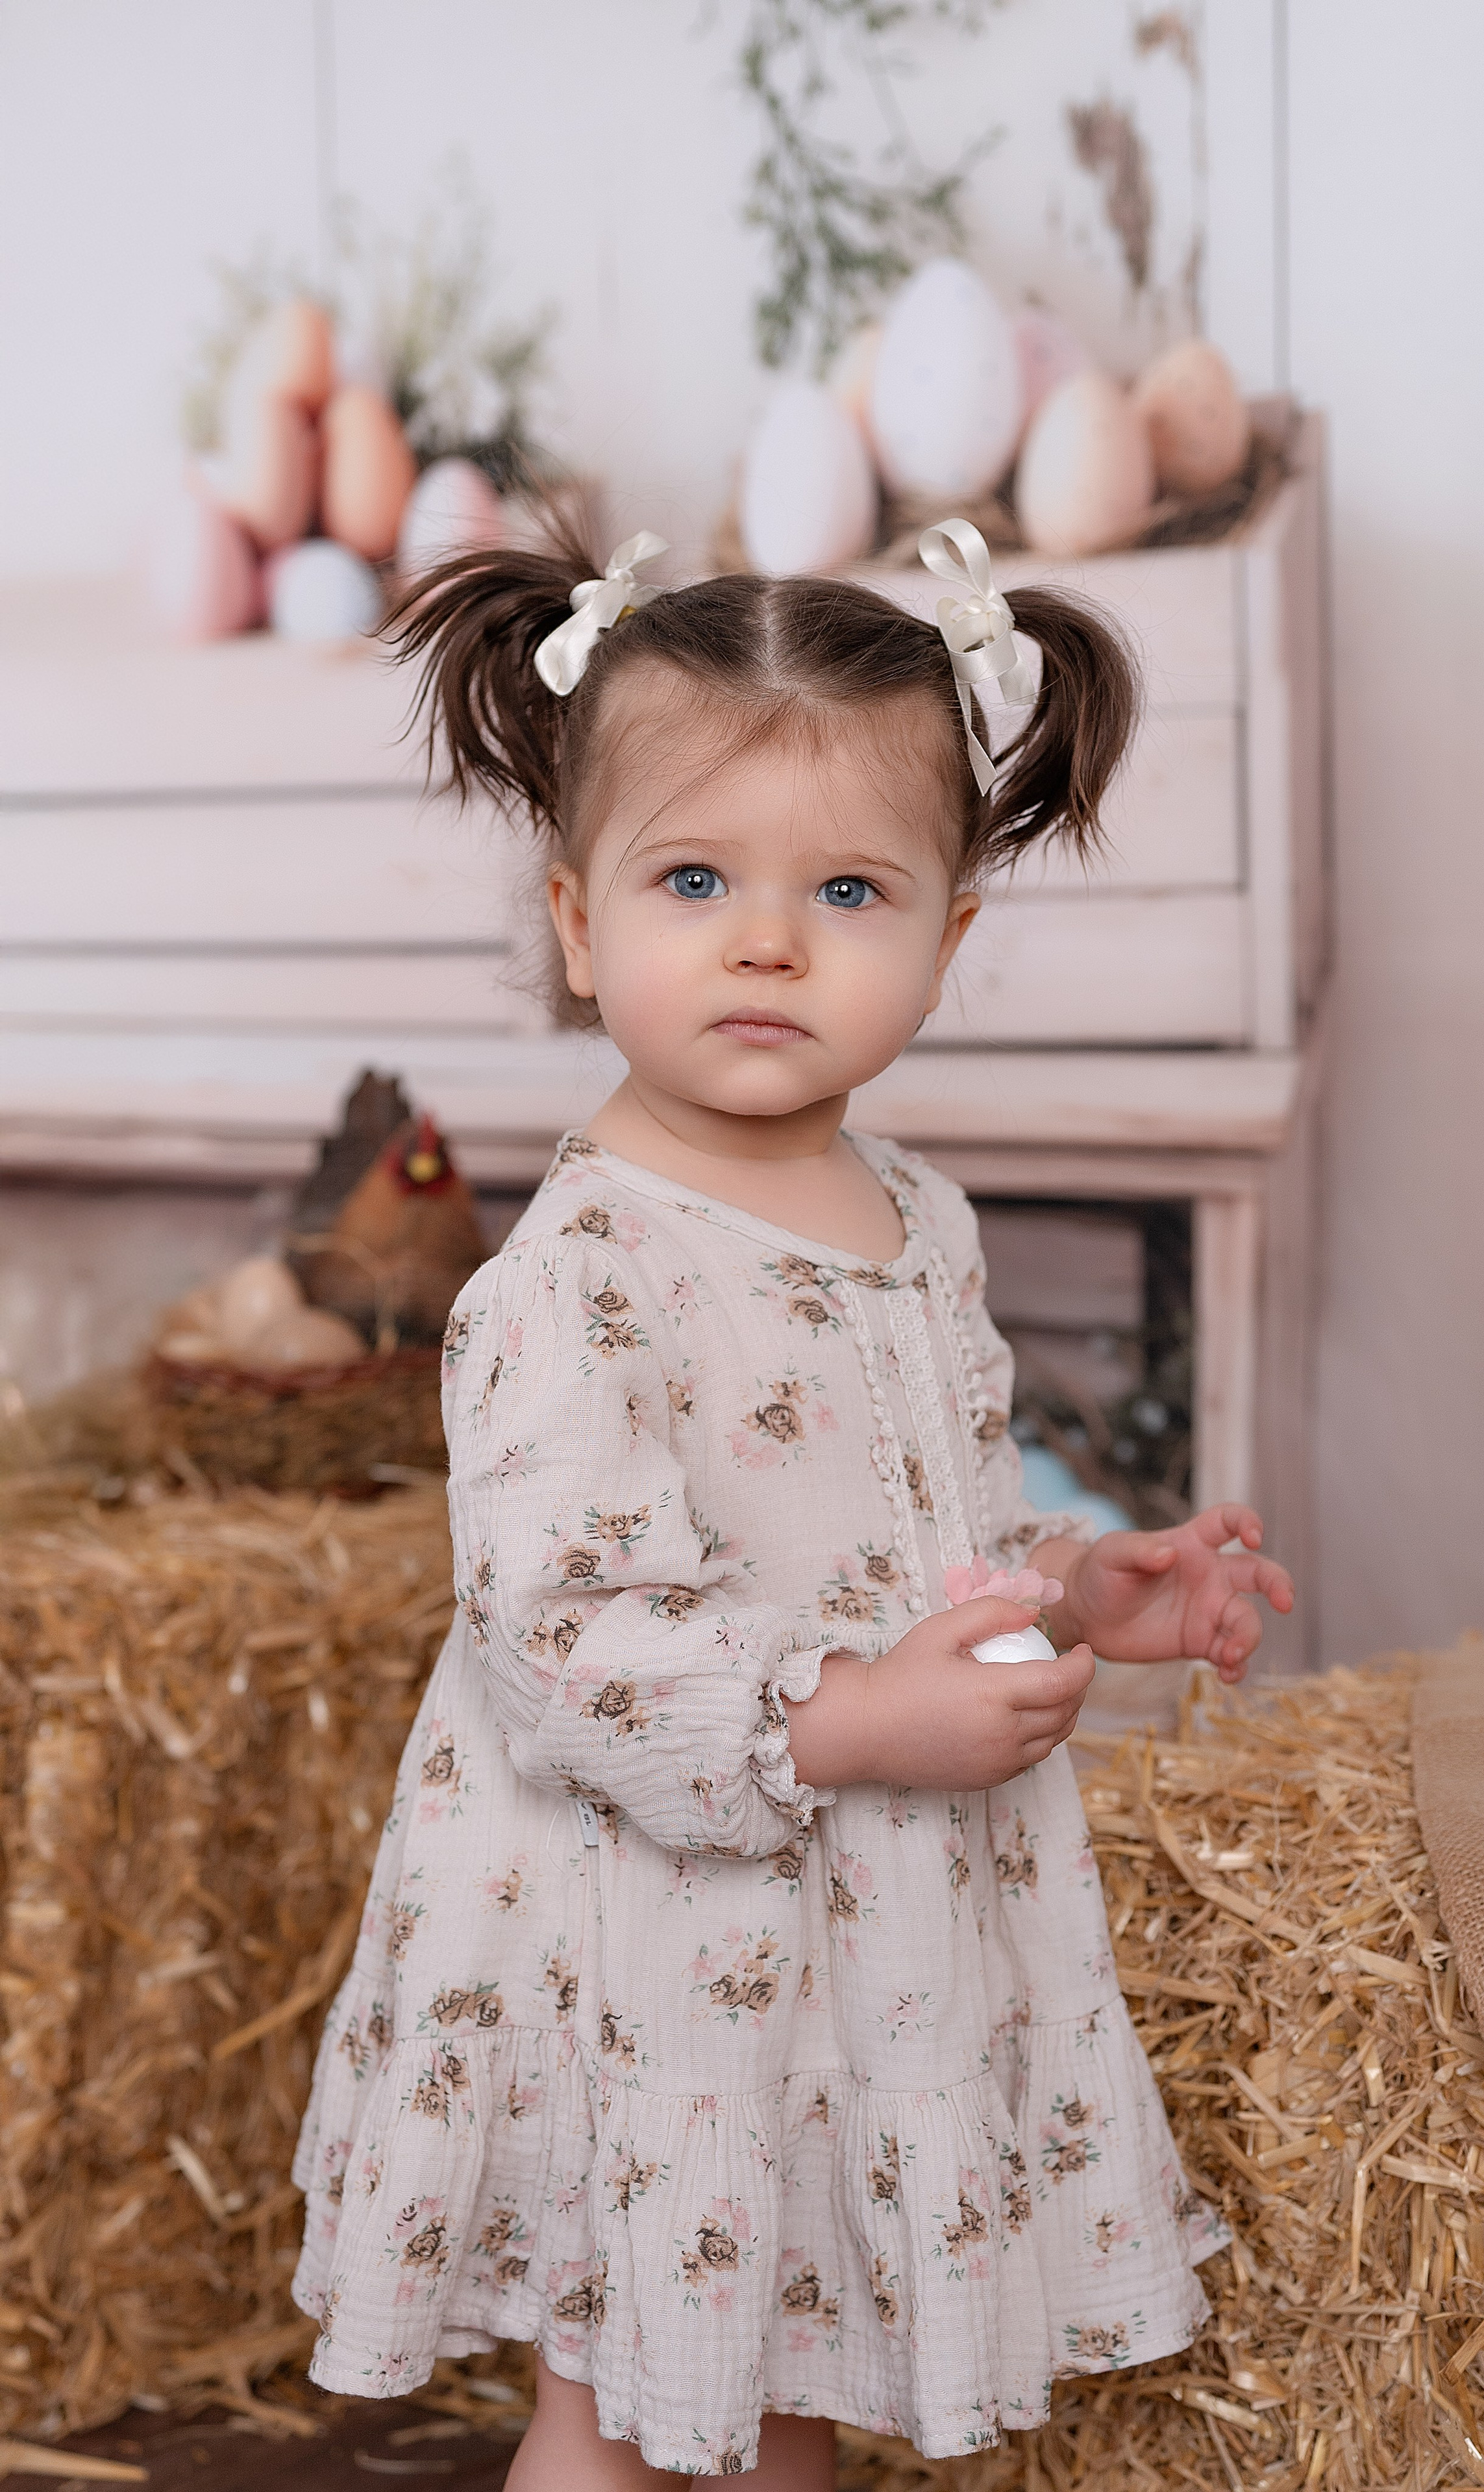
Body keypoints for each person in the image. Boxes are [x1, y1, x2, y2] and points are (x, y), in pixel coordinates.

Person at [291, 517, 1294, 2486]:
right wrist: (849, 1721)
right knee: (619, 2393)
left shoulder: (920, 1219)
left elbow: (944, 1528)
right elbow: (566, 1639)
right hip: (652, 1928)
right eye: (696, 880)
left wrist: (1088, 1596)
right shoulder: (578, 1276)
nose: (770, 941)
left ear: (946, 937)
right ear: (581, 924)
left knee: (782, 2385)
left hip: (857, 1919)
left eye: (848, 887)